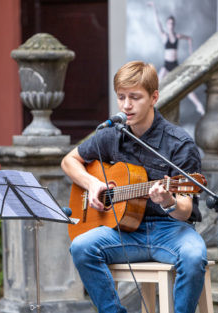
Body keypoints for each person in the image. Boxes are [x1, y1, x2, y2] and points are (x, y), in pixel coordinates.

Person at [61, 61, 207, 313]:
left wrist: (168, 201)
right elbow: (69, 160)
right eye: (121, 97)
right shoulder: (111, 135)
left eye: (135, 97)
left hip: (170, 230)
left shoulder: (180, 144)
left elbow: (184, 210)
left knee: (194, 256)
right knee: (81, 247)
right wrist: (93, 183)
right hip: (124, 231)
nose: (126, 105)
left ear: (154, 97)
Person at [147, 1, 205, 116]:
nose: (170, 25)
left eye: (172, 23)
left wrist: (190, 52)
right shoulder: (165, 36)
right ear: (167, 25)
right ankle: (149, 107)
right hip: (166, 65)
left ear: (174, 25)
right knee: (156, 84)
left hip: (175, 64)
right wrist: (154, 7)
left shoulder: (177, 36)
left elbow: (189, 38)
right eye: (169, 23)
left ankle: (199, 106)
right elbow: (157, 23)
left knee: (185, 85)